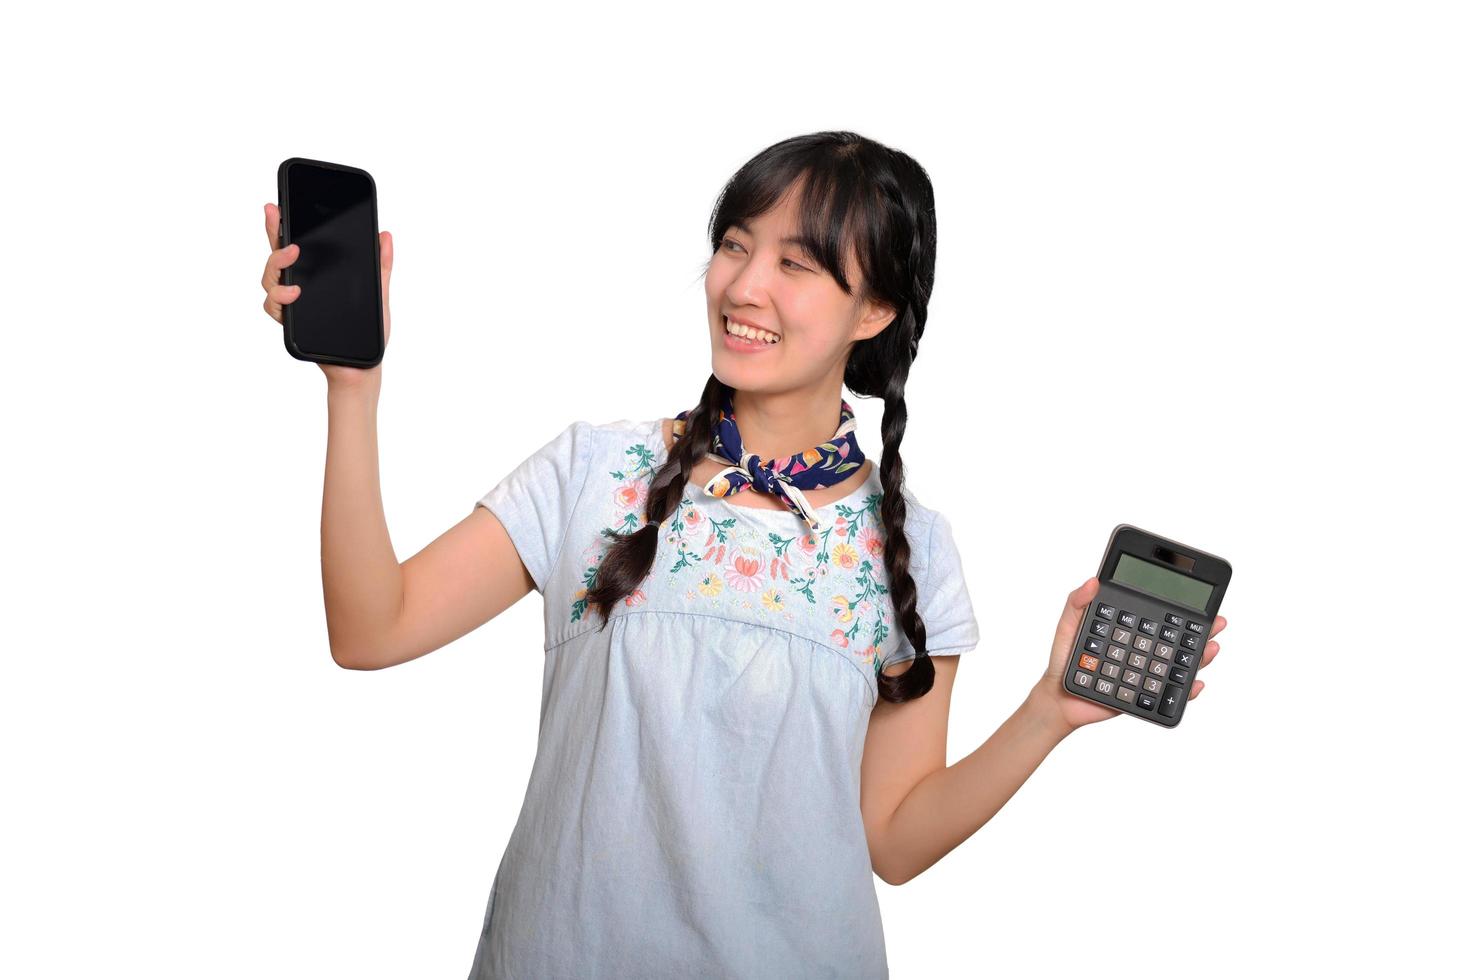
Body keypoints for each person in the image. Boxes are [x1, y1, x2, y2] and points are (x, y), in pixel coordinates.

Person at [259, 130, 1227, 978]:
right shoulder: (595, 470)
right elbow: (370, 628)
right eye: (735, 243)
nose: (743, 284)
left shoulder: (914, 550)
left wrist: (1048, 709)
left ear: (876, 310)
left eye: (797, 263)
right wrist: (354, 390)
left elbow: (892, 837)